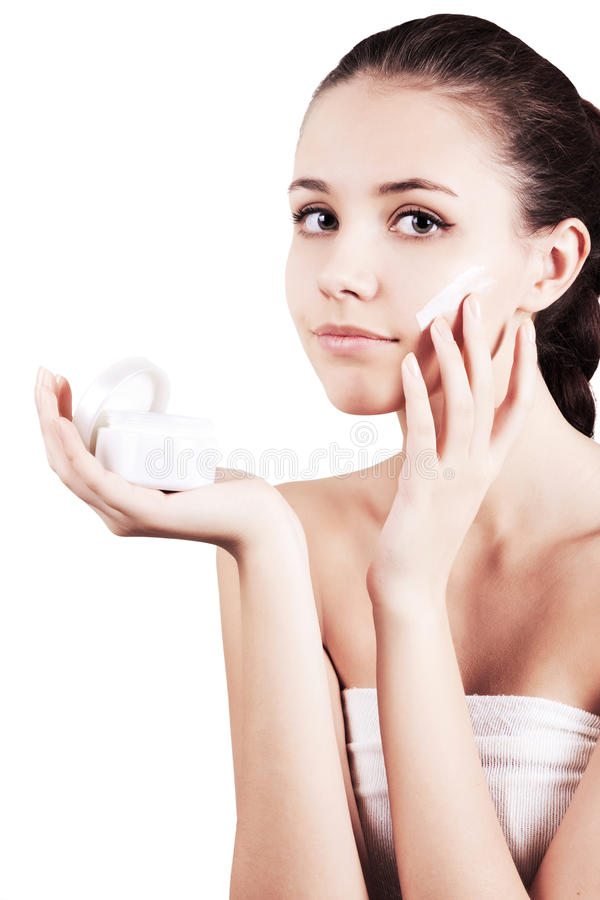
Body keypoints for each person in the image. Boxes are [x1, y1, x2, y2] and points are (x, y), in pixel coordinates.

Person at [35, 13, 600, 899]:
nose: (339, 271)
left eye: (417, 220)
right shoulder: (291, 534)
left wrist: (406, 593)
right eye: (318, 216)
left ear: (551, 264)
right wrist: (262, 540)